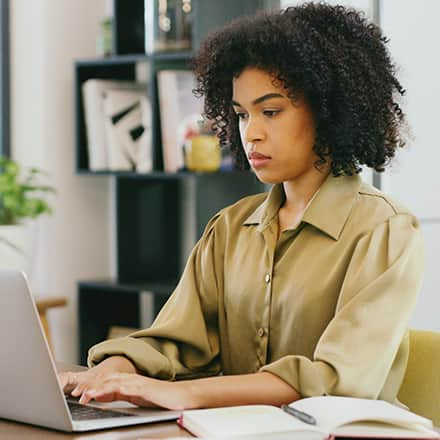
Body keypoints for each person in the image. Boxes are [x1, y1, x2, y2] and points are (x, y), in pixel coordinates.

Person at [60, 2, 424, 410]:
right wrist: (114, 368)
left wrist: (185, 394)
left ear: (328, 110)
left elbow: (335, 380)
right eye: (241, 115)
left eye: (270, 111)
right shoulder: (229, 228)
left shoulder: (385, 230)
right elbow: (178, 340)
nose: (251, 133)